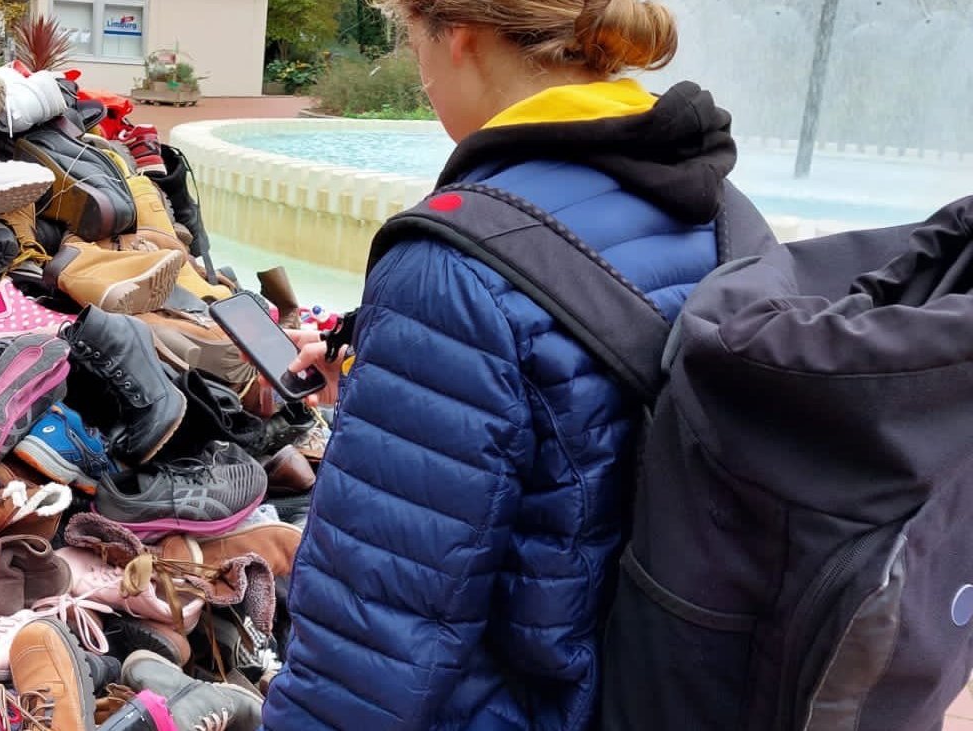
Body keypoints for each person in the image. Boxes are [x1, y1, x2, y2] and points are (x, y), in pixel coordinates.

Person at [260, 0, 766, 728]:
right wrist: (396, 367)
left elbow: (369, 650)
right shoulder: (727, 213)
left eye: (411, 39)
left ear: (458, 33)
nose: (420, 75)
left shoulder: (452, 267)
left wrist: (427, 355)